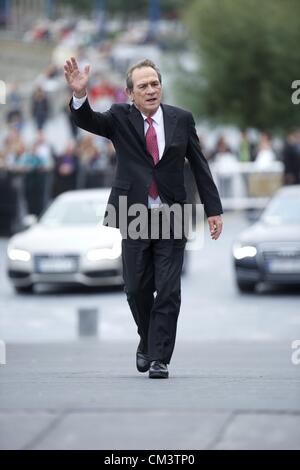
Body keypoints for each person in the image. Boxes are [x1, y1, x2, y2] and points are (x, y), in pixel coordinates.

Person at [64, 57, 223, 379]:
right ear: (130, 94)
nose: (151, 90)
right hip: (133, 213)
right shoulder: (119, 117)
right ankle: (147, 339)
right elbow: (87, 119)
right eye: (143, 86)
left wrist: (213, 209)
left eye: (155, 84)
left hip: (172, 212)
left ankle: (159, 358)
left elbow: (200, 164)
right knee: (136, 287)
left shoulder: (181, 119)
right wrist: (80, 95)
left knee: (167, 289)